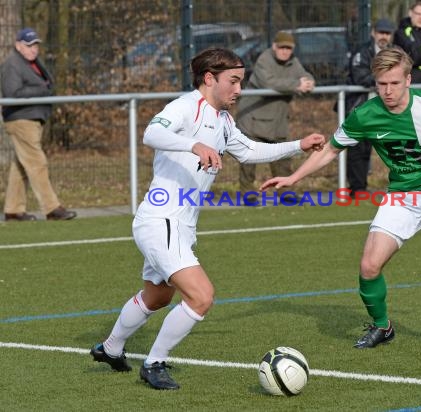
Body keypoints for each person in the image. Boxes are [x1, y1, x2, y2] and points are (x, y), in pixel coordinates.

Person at [89, 48, 324, 390]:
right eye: (233, 81)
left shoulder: (225, 121)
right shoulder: (186, 107)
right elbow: (151, 134)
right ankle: (153, 363)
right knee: (201, 296)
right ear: (210, 78)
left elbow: (250, 152)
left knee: (157, 298)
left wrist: (298, 144)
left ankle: (111, 349)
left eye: (240, 81)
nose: (239, 89)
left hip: (180, 225)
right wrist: (195, 146)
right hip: (161, 219)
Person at [261, 47, 421, 349]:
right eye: (381, 84)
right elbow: (331, 149)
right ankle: (382, 327)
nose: (387, 91)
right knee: (368, 267)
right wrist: (293, 177)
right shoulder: (366, 114)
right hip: (401, 195)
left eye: (394, 83)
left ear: (408, 79)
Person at [1, 28, 76, 221]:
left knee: (21, 165)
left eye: (35, 45)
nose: (33, 49)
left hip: (32, 119)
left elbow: (46, 85)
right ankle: (52, 208)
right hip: (20, 120)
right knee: (37, 163)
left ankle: (13, 210)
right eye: (29, 45)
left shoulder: (33, 63)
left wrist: (44, 89)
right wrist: (41, 90)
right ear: (18, 45)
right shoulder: (12, 64)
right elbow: (12, 94)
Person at [236, 31, 315, 203]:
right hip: (253, 117)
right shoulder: (264, 59)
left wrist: (309, 82)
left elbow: (305, 75)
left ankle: (285, 193)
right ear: (274, 46)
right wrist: (296, 85)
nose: (285, 51)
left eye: (289, 48)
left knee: (283, 157)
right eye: (282, 47)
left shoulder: (293, 62)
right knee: (249, 159)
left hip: (278, 119)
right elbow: (269, 83)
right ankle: (248, 194)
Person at [345, 18, 395, 195]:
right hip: (361, 106)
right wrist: (385, 79)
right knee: (358, 148)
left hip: (386, 108)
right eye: (381, 32)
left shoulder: (395, 53)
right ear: (373, 32)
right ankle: (358, 188)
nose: (384, 36)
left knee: (392, 147)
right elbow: (360, 75)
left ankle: (402, 186)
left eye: (387, 33)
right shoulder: (362, 52)